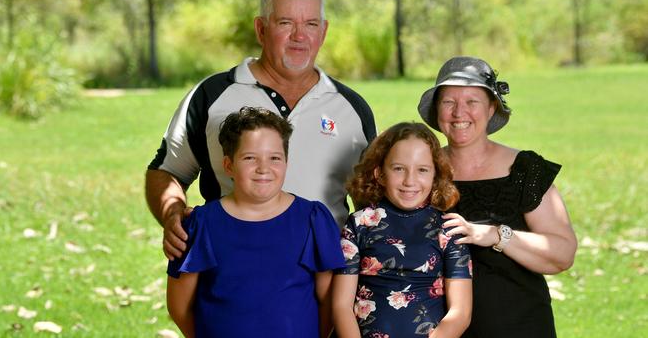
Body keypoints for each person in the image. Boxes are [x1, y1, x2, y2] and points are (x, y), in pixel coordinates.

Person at [145, 0, 376, 261]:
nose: (299, 36)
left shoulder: (352, 108)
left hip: (324, 280)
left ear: (324, 31)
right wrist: (172, 213)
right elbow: (167, 171)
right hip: (232, 271)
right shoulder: (212, 95)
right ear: (261, 29)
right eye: (285, 23)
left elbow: (372, 200)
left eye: (311, 24)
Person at [417, 56, 577, 337]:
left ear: (492, 108)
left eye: (472, 101)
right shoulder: (418, 172)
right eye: (449, 102)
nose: (459, 112)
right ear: (437, 109)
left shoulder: (524, 169)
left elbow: (562, 254)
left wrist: (495, 235)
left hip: (519, 326)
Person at [166, 107, 346, 337]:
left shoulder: (312, 219)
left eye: (274, 158)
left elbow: (327, 302)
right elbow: (179, 306)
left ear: (286, 162)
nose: (264, 168)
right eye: (250, 158)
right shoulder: (202, 224)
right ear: (229, 165)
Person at [332, 122, 473, 338]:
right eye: (399, 169)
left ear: (435, 176)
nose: (410, 181)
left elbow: (460, 313)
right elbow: (341, 306)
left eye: (422, 170)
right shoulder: (359, 224)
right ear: (379, 173)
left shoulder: (447, 230)